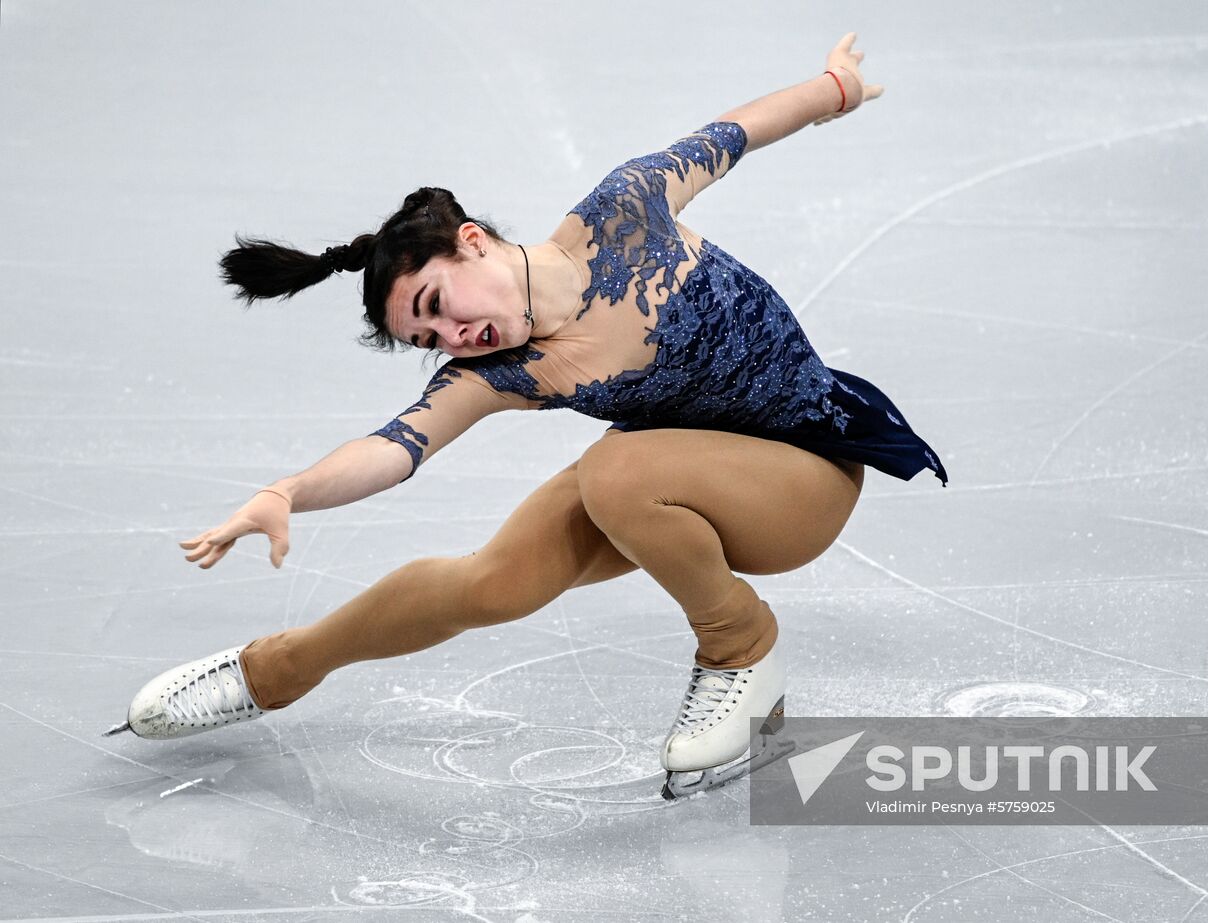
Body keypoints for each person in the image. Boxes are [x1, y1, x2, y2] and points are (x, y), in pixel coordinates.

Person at [106, 33, 947, 799]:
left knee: (616, 470)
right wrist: (290, 490)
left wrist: (833, 88)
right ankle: (275, 669)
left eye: (436, 304)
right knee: (493, 581)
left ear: (471, 241)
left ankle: (740, 647)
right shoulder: (502, 368)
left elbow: (727, 135)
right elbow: (397, 446)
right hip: (683, 470)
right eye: (425, 336)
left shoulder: (621, 214)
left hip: (805, 472)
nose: (451, 337)